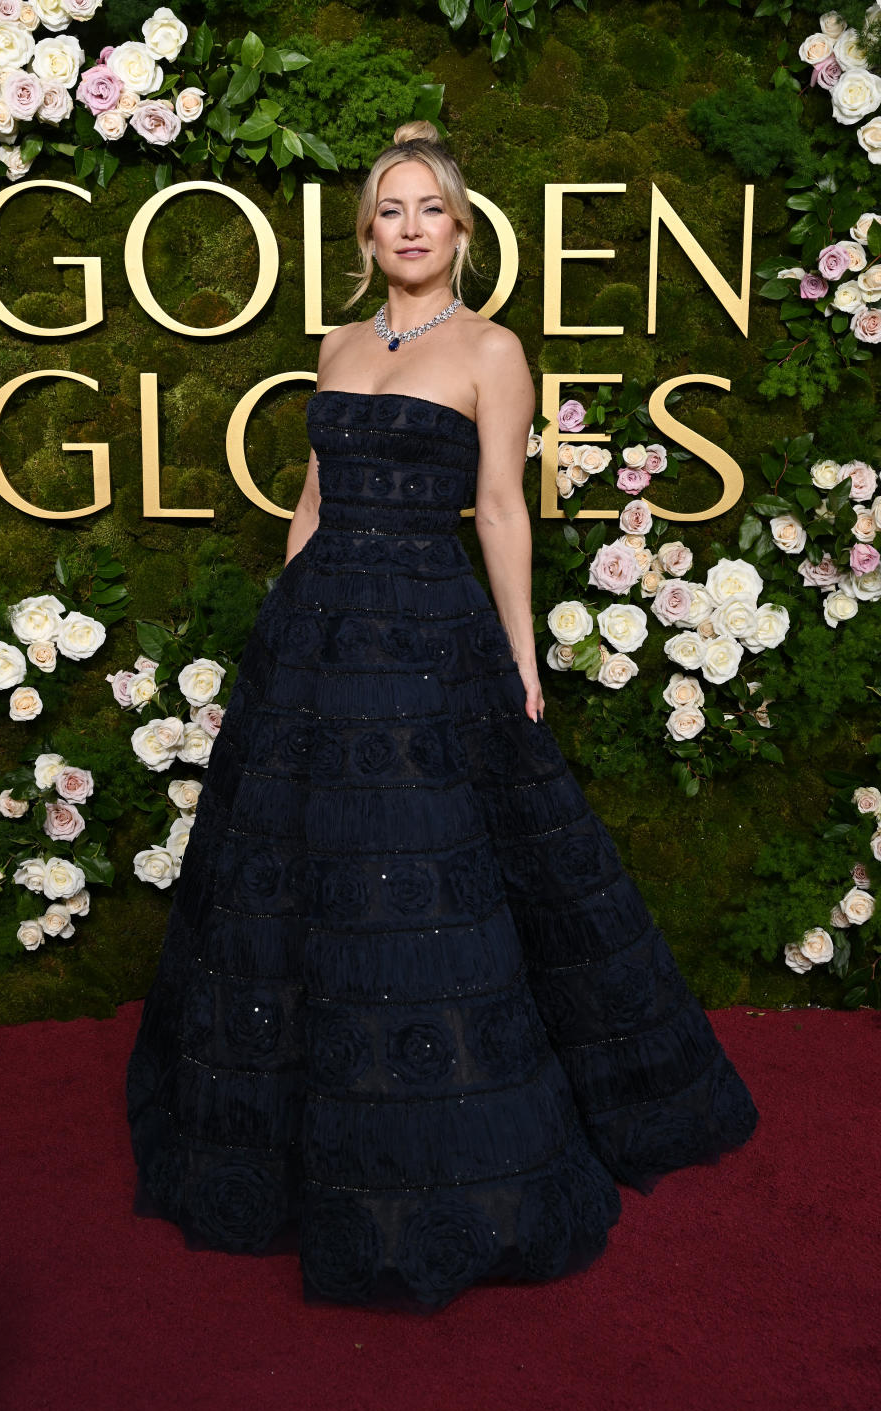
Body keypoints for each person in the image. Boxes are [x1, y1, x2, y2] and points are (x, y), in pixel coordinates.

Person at [125, 119, 759, 1314]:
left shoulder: (492, 350)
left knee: (419, 875)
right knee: (309, 879)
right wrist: (280, 620)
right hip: (318, 635)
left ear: (460, 231)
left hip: (427, 636)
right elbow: (313, 495)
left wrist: (523, 660)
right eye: (391, 210)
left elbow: (503, 512)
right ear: (368, 233)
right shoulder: (336, 342)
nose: (411, 227)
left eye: (432, 209)